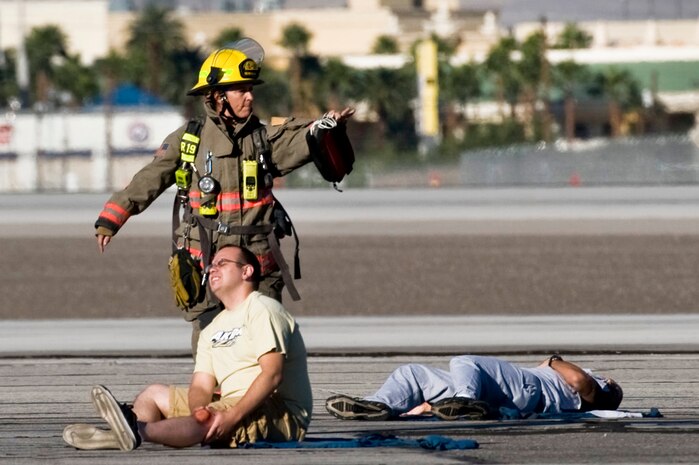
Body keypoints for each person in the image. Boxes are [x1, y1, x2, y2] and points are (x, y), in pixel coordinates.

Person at [93, 38, 355, 351]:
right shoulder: (188, 139)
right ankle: (201, 401)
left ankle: (261, 400)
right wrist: (112, 218)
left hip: (256, 264)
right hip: (205, 265)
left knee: (266, 349)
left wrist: (323, 130)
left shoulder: (263, 138)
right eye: (241, 90)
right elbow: (150, 178)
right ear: (217, 97)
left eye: (251, 89)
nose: (249, 96)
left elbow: (299, 144)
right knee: (211, 351)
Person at [62, 245, 312, 451]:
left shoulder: (263, 309)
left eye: (222, 263)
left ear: (246, 271)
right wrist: (198, 409)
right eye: (211, 264)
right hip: (230, 401)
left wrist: (232, 415)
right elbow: (202, 385)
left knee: (213, 417)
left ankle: (138, 430)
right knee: (153, 394)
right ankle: (127, 433)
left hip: (279, 411)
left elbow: (272, 374)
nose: (213, 268)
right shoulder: (212, 328)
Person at [325, 355, 623, 421]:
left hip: (531, 391)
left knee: (465, 361)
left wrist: (555, 360)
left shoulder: (592, 386)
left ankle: (465, 401)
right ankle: (377, 405)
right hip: (510, 391)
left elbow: (580, 382)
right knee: (413, 373)